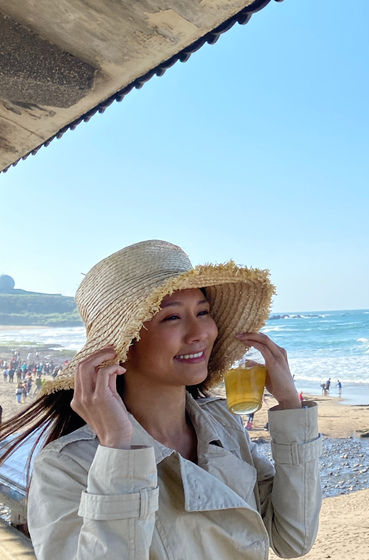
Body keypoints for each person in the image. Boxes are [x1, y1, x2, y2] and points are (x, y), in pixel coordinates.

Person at [0, 239, 322, 559]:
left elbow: (293, 538)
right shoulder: (67, 466)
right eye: (171, 317)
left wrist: (291, 409)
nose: (200, 333)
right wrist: (117, 450)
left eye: (203, 312)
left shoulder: (221, 423)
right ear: (124, 344)